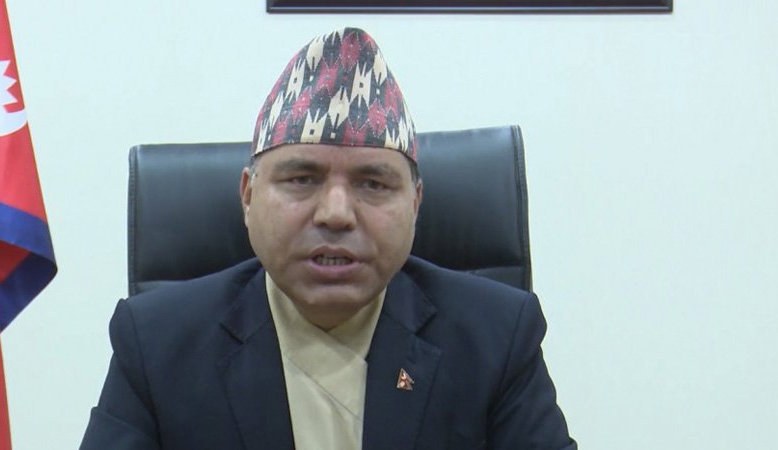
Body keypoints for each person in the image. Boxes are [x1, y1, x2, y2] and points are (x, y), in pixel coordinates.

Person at [80, 27, 576, 450]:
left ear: (416, 203)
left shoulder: (497, 337)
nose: (336, 214)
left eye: (373, 184)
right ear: (248, 196)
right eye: (302, 179)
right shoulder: (156, 342)